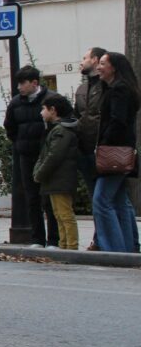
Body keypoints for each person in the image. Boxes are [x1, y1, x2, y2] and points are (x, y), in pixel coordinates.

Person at [4, 66, 59, 248]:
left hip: (46, 155)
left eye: (22, 83)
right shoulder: (16, 103)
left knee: (49, 197)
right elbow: (10, 127)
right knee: (32, 197)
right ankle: (37, 239)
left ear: (34, 83)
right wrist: (20, 143)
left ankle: (53, 239)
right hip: (26, 155)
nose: (19, 87)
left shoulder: (50, 99)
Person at [92, 52, 139, 253]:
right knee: (119, 201)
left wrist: (103, 144)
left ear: (114, 67)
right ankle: (127, 249)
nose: (98, 67)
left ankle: (114, 249)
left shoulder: (119, 90)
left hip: (113, 153)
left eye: (102, 63)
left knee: (101, 201)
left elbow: (117, 121)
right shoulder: (120, 88)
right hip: (121, 151)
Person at [33, 94, 80, 250]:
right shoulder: (57, 129)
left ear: (53, 110)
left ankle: (71, 247)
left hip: (60, 179)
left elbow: (54, 155)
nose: (41, 113)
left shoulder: (61, 131)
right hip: (56, 180)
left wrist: (39, 173)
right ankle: (64, 245)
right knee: (59, 214)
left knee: (64, 215)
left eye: (43, 109)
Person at [75, 46, 106, 250]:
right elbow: (79, 116)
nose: (81, 61)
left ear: (95, 60)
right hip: (84, 150)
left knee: (105, 197)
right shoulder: (82, 88)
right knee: (96, 195)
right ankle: (99, 239)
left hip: (102, 149)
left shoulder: (106, 87)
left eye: (85, 57)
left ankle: (104, 239)